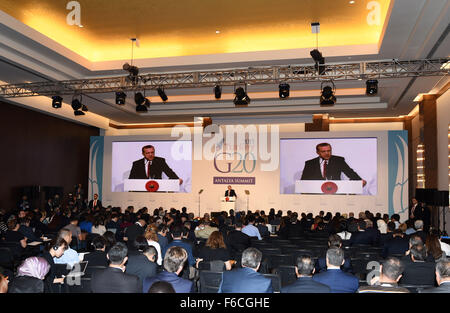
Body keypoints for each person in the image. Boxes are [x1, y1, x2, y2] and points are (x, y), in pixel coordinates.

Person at [300, 142, 366, 186]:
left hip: (335, 191)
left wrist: (359, 180)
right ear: (318, 152)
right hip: (316, 193)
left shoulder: (338, 160)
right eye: (323, 151)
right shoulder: (310, 163)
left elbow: (350, 172)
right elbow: (304, 180)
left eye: (329, 151)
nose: (327, 153)